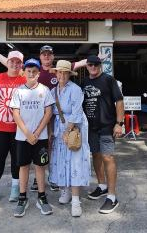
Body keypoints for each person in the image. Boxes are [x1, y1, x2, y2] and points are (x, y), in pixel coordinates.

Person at [0, 45, 95, 191]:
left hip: (52, 116)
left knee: (51, 150)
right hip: (32, 119)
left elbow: (78, 64)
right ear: (40, 56)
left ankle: (52, 177)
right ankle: (32, 182)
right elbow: (12, 64)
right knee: (25, 153)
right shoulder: (30, 72)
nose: (47, 57)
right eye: (44, 54)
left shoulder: (58, 70)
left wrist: (95, 59)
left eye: (49, 54)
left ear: (53, 56)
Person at [9, 58, 55, 217]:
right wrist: (27, 133)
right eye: (28, 71)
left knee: (40, 166)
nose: (31, 73)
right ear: (25, 72)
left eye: (34, 71)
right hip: (22, 137)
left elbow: (48, 112)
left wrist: (37, 133)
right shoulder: (19, 91)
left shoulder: (45, 90)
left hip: (40, 137)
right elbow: (15, 113)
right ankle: (23, 197)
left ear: (38, 73)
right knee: (23, 166)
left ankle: (42, 197)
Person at [82, 55, 124, 214]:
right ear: (86, 66)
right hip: (91, 128)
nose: (93, 67)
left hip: (107, 126)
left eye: (96, 64)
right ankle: (102, 186)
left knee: (108, 157)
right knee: (96, 155)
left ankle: (112, 197)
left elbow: (119, 101)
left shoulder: (108, 80)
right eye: (90, 64)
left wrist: (119, 124)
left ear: (100, 65)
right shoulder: (85, 82)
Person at [48, 60, 91, 217]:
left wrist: (67, 131)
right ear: (56, 73)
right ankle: (65, 191)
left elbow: (77, 112)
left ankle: (75, 200)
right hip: (59, 129)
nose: (62, 75)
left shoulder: (75, 89)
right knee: (61, 160)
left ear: (69, 74)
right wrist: (52, 132)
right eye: (59, 72)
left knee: (74, 162)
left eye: (65, 73)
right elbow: (50, 114)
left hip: (74, 128)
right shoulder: (53, 92)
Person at [0, 50, 27, 204]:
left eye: (18, 62)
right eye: (12, 61)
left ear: (21, 65)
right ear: (7, 62)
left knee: (17, 159)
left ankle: (16, 187)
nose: (14, 64)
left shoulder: (25, 79)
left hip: (19, 128)